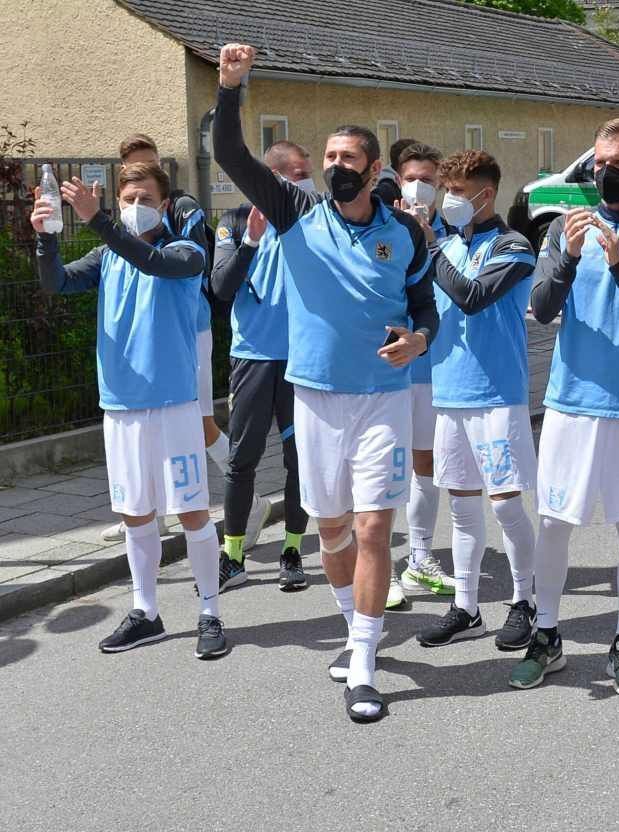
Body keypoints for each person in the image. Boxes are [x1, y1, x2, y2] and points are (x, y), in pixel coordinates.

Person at [214, 43, 439, 722]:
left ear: (374, 170)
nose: (337, 168)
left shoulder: (405, 233)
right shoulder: (292, 213)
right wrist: (232, 87)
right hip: (313, 399)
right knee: (333, 532)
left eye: (348, 160)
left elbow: (425, 306)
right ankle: (352, 626)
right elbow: (230, 153)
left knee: (374, 530)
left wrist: (422, 337)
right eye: (330, 159)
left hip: (381, 400)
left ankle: (364, 665)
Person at [510, 117, 619, 698]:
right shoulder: (566, 228)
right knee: (556, 523)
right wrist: (569, 256)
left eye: (616, 164)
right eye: (597, 162)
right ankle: (547, 635)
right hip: (571, 403)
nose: (603, 173)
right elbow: (539, 308)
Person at [33, 162, 230, 660]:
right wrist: (47, 237)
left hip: (174, 406)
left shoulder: (186, 251)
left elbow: (153, 263)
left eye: (145, 197)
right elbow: (55, 283)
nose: (135, 206)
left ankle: (210, 611)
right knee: (136, 514)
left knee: (190, 512)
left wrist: (100, 220)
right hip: (120, 408)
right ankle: (146, 612)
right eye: (128, 199)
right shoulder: (107, 255)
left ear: (165, 205)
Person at [401, 149, 542, 652]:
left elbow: (472, 297)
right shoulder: (444, 246)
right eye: (446, 191)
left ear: (486, 194)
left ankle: (525, 601)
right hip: (450, 392)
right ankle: (466, 606)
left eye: (458, 192)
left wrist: (432, 244)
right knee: (461, 509)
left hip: (496, 395)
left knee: (505, 506)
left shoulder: (514, 246)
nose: (448, 200)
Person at [98, 135, 226, 544]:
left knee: (200, 421)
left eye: (148, 167)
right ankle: (143, 509)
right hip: (146, 332)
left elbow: (174, 261)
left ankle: (246, 494)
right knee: (160, 426)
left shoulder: (183, 210)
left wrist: (101, 223)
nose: (138, 203)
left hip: (189, 327)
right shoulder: (112, 245)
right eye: (129, 178)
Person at [208, 139, 313, 592]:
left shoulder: (311, 219)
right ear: (276, 178)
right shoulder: (233, 221)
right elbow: (222, 286)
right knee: (241, 460)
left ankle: (293, 551)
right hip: (252, 358)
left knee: (300, 461)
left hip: (301, 360)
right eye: (300, 172)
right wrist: (251, 240)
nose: (308, 180)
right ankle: (232, 556)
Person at [391, 142, 456, 609]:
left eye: (430, 179)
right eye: (412, 176)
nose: (420, 186)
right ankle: (377, 566)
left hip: (433, 369)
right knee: (379, 471)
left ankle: (419, 559)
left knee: (425, 466)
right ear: (396, 180)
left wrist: (431, 241)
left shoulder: (452, 232)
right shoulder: (382, 228)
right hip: (387, 370)